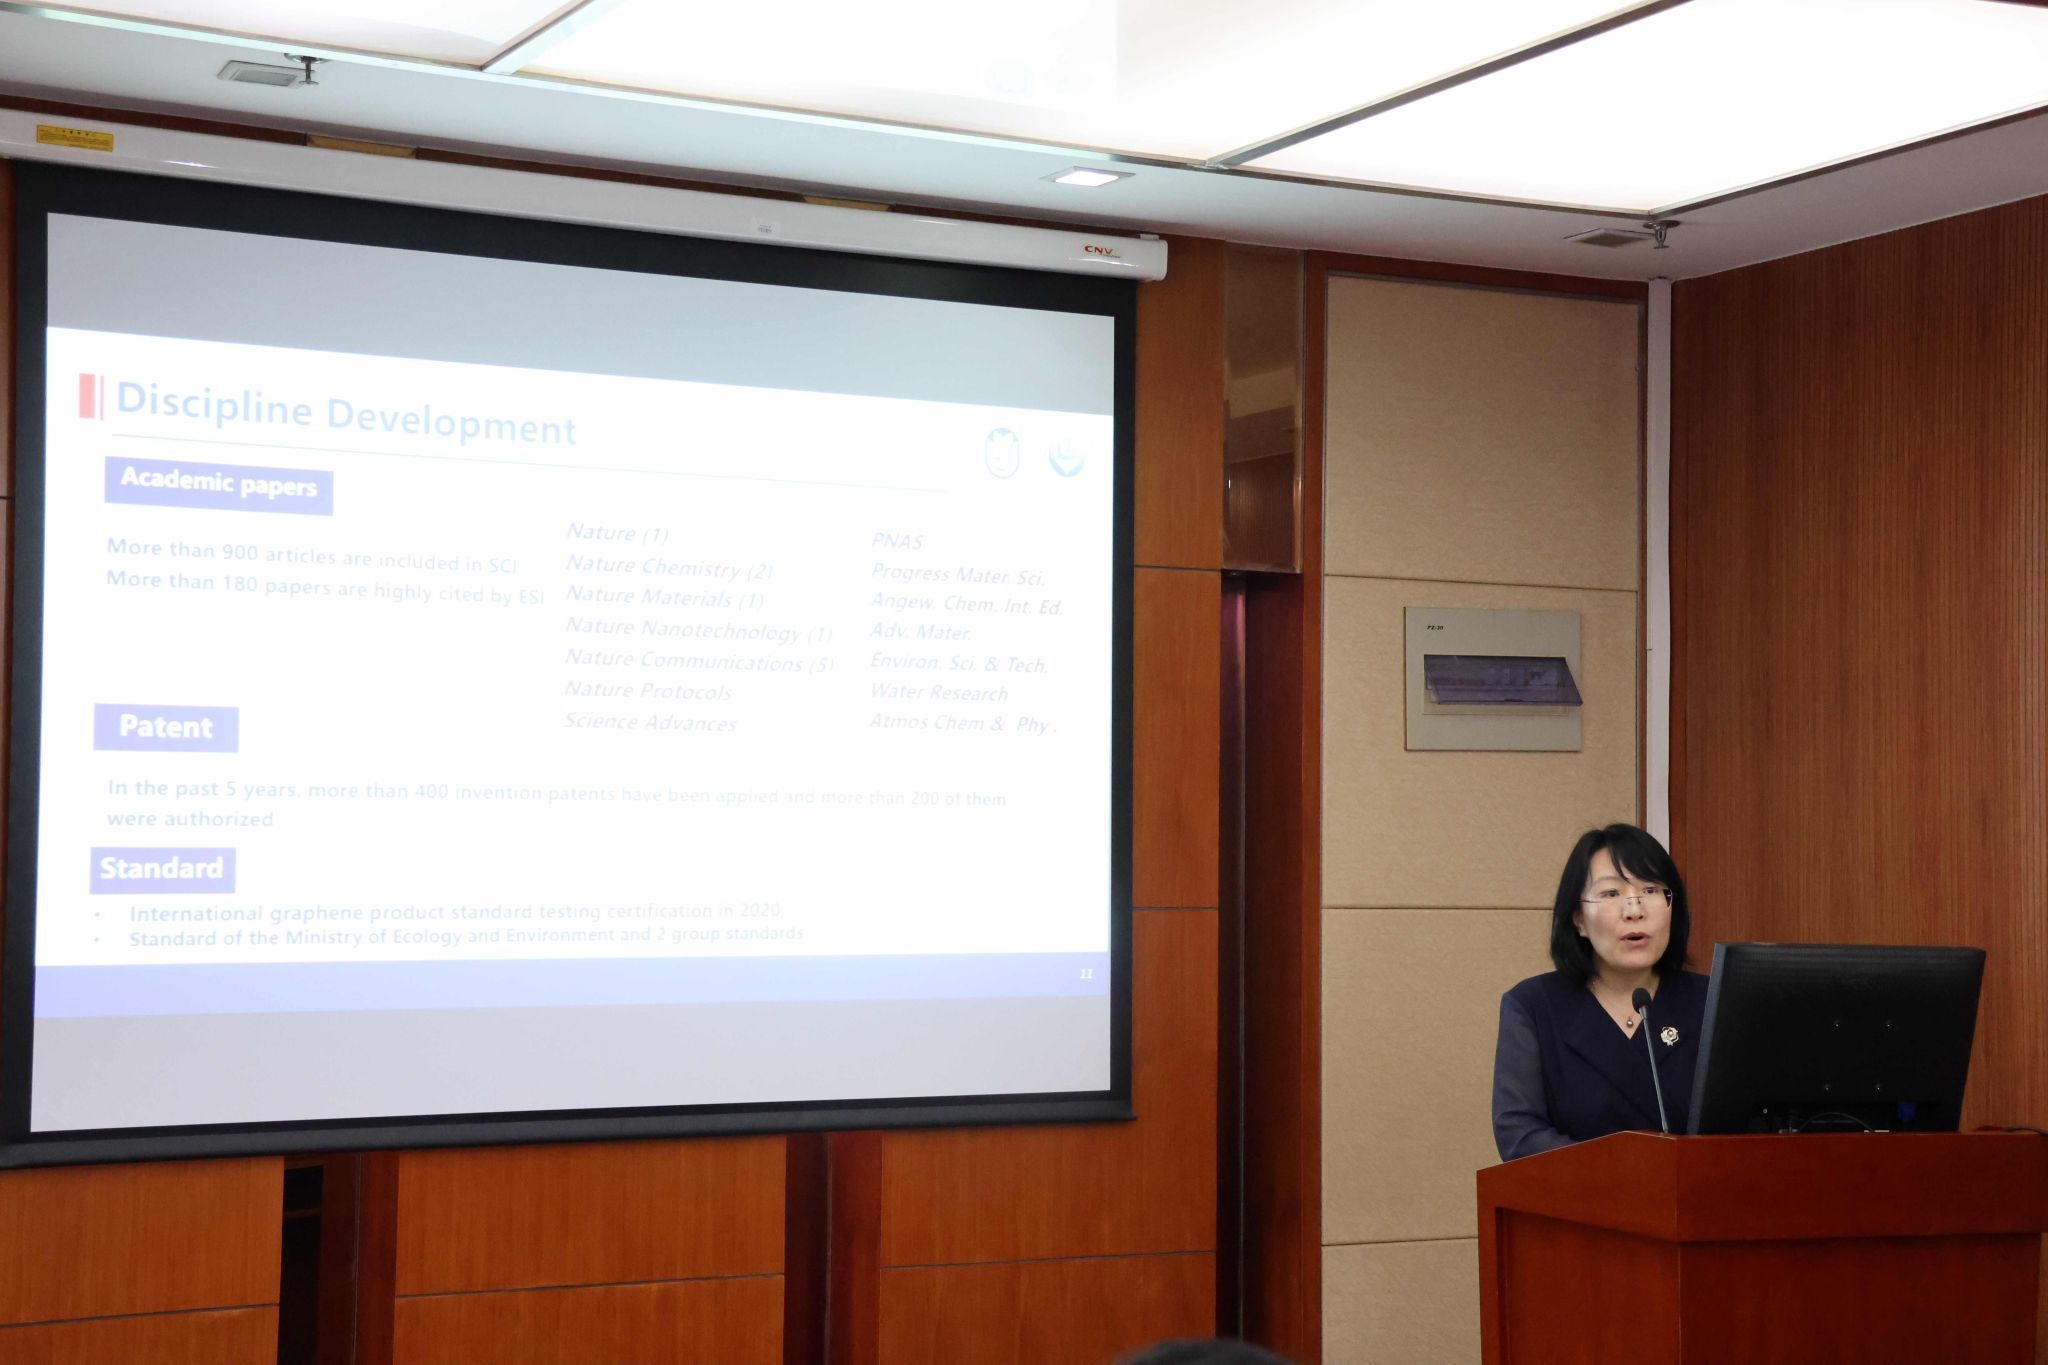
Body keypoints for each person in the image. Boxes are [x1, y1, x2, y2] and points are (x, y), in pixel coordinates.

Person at [1491, 823, 1708, 1160]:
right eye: (1611, 894)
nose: (1635, 910)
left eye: (1651, 890)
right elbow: (1519, 1135)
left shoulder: (1711, 1002)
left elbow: (1747, 1127)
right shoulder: (1534, 1006)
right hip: (1578, 1192)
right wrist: (1623, 1173)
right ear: (1579, 919)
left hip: (1700, 1192)